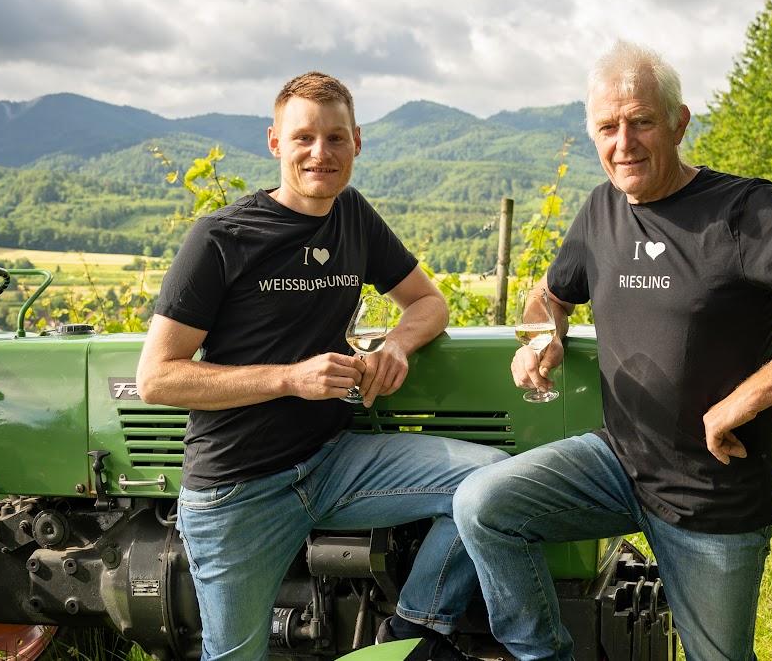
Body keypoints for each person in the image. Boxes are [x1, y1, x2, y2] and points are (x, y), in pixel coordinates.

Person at [454, 41, 772, 661]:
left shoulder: (743, 210)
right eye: (607, 127)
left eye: (641, 122)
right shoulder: (601, 210)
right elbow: (551, 294)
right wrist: (541, 337)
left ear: (678, 122)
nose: (624, 143)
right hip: (616, 464)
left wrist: (746, 398)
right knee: (483, 506)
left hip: (714, 494)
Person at [137, 71, 506, 661]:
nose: (321, 153)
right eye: (304, 137)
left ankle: (410, 631)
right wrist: (289, 377)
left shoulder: (353, 215)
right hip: (238, 491)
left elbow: (429, 302)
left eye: (336, 138)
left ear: (356, 142)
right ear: (274, 141)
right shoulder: (221, 237)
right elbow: (157, 378)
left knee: (494, 482)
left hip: (332, 462)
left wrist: (394, 347)